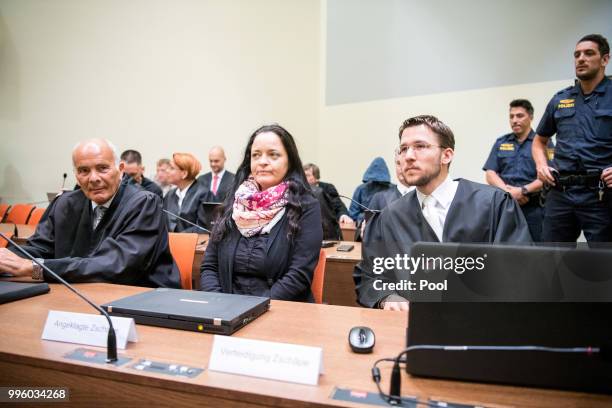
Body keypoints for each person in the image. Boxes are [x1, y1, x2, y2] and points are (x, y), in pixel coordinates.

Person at [354, 115, 532, 311]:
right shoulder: (389, 217)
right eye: (403, 149)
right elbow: (370, 276)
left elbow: (520, 272)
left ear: (446, 155)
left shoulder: (493, 204)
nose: (408, 156)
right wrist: (387, 297)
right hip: (412, 328)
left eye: (420, 146)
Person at [0, 139, 179, 287]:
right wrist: (9, 258)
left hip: (139, 299)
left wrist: (36, 268)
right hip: (79, 293)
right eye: (83, 171)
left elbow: (116, 265)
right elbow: (39, 249)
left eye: (102, 168)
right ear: (75, 174)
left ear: (121, 170)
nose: (93, 178)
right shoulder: (65, 203)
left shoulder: (143, 203)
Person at [200, 124, 323, 301]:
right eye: (256, 155)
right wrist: (219, 302)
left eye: (273, 155)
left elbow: (298, 275)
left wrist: (254, 310)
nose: (262, 161)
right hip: (226, 309)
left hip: (278, 310)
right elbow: (209, 267)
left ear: (290, 161)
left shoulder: (306, 206)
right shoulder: (236, 201)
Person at [532, 34, 612, 244]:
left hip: (601, 195)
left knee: (603, 263)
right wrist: (541, 166)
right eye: (577, 55)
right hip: (560, 193)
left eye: (589, 53)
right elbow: (539, 140)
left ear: (605, 59)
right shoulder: (561, 99)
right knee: (551, 259)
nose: (581, 59)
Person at [483, 99, 553, 241]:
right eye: (511, 116)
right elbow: (490, 173)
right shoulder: (501, 142)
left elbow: (549, 174)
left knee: (537, 251)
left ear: (531, 117)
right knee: (505, 248)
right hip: (506, 206)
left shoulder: (542, 143)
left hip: (534, 207)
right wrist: (509, 193)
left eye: (519, 116)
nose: (514, 120)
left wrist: (522, 190)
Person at [303, 163, 352, 240]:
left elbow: (339, 206)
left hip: (327, 231)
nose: (303, 178)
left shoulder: (327, 188)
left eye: (307, 175)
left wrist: (343, 215)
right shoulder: (299, 190)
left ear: (316, 178)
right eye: (302, 175)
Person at [163, 153, 208, 233]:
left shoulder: (203, 194)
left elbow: (203, 227)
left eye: (172, 168)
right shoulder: (169, 195)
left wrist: (179, 237)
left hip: (194, 243)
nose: (167, 171)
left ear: (184, 174)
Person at [348, 157, 394, 223]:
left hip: (387, 228)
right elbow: (353, 214)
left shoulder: (393, 190)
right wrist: (367, 217)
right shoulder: (361, 189)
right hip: (364, 227)